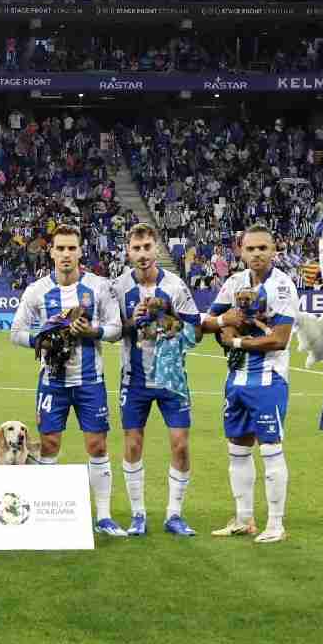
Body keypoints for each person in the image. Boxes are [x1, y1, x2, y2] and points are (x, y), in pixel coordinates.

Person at [10, 224, 123, 536]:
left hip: (90, 381)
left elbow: (116, 328)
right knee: (49, 444)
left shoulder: (99, 287)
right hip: (52, 382)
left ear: (80, 250)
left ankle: (103, 516)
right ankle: (48, 514)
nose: (66, 254)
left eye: (72, 248)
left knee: (97, 445)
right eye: (60, 248)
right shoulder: (36, 291)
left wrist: (91, 331)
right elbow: (16, 332)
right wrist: (43, 339)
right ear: (51, 251)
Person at [200, 224, 298, 544]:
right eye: (250, 248)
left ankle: (276, 523)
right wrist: (225, 323)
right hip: (236, 380)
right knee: (237, 450)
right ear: (240, 251)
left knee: (270, 450)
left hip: (268, 380)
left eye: (262, 248)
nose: (256, 254)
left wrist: (236, 342)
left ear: (274, 251)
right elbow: (207, 323)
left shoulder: (283, 287)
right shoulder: (233, 283)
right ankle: (244, 519)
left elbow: (279, 340)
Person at [111, 223, 201, 537]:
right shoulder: (119, 288)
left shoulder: (175, 286)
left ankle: (174, 515)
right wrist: (130, 322)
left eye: (148, 247)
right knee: (133, 445)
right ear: (128, 252)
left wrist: (167, 321)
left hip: (171, 381)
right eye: (136, 248)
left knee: (180, 445)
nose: (143, 254)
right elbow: (112, 332)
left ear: (156, 248)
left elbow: (196, 331)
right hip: (134, 380)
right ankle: (138, 514)